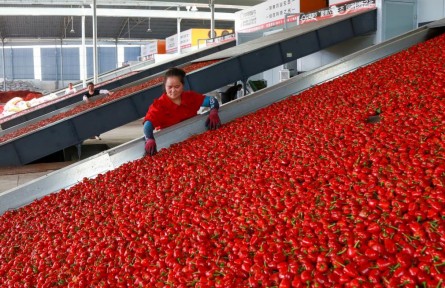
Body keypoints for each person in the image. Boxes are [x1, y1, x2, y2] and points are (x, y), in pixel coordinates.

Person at [143, 67, 221, 156]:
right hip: (171, 146)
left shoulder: (190, 97)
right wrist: (149, 139)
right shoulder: (159, 105)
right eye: (169, 87)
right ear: (165, 86)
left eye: (177, 86)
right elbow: (148, 124)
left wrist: (214, 110)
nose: (173, 91)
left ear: (182, 85)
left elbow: (211, 100)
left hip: (197, 138)